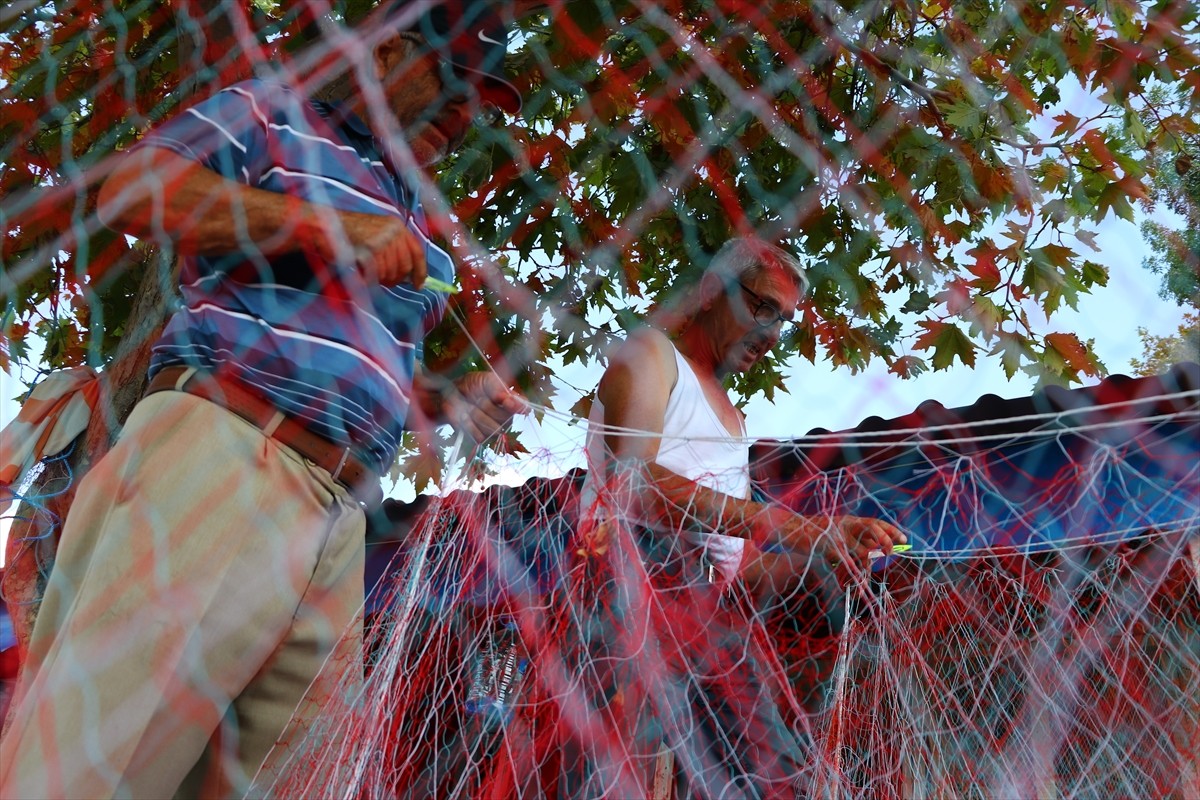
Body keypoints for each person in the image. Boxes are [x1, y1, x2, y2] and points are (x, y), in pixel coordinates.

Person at [0, 2, 527, 797]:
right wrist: (318, 225)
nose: (465, 117)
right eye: (457, 87)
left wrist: (449, 399)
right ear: (387, 58)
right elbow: (136, 189)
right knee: (89, 775)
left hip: (342, 517)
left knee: (290, 783)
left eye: (481, 104)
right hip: (225, 460)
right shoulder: (274, 111)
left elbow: (351, 362)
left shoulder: (411, 211)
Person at [569, 238, 906, 798]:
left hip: (702, 626)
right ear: (710, 291)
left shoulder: (734, 420)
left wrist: (825, 559)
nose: (771, 333)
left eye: (785, 322)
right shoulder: (652, 353)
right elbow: (633, 483)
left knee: (762, 773)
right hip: (621, 595)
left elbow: (737, 570)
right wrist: (803, 530)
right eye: (762, 307)